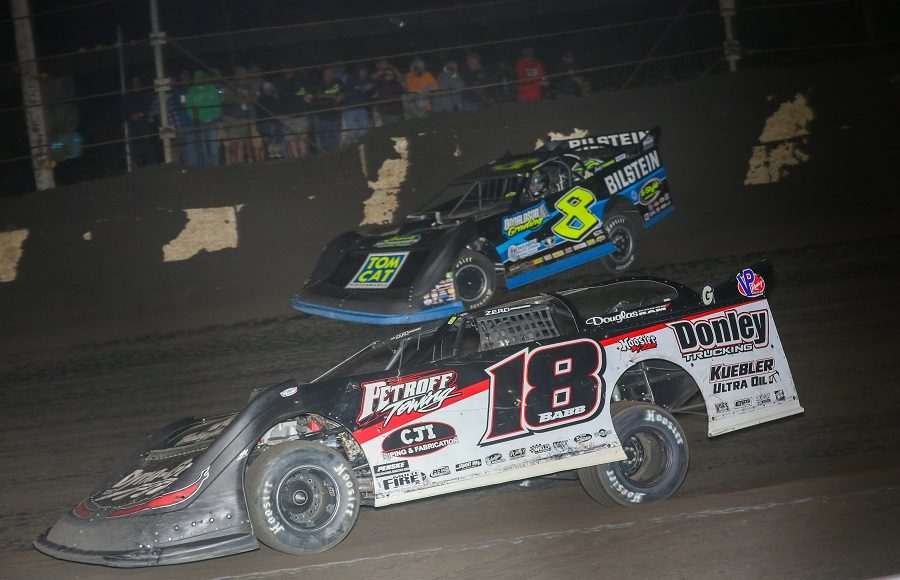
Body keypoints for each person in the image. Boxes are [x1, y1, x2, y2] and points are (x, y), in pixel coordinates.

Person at [274, 67, 313, 159]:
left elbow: (309, 95)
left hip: (300, 114)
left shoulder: (301, 80)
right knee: (291, 139)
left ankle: (303, 156)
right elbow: (277, 99)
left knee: (302, 137)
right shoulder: (279, 82)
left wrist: (307, 103)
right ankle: (296, 157)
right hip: (287, 114)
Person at [186, 70, 223, 165]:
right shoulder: (192, 90)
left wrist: (215, 116)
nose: (201, 80)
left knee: (213, 145)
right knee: (203, 146)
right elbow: (189, 106)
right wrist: (195, 117)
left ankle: (214, 165)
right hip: (199, 122)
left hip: (211, 120)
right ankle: (205, 166)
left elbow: (217, 103)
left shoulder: (211, 88)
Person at [121, 75, 159, 168]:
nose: (136, 84)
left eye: (138, 81)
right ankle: (137, 171)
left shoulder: (147, 95)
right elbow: (122, 114)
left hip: (146, 127)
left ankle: (153, 169)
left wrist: (143, 114)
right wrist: (130, 117)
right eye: (134, 82)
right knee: (135, 154)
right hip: (134, 130)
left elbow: (153, 107)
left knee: (149, 152)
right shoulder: (128, 97)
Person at [312, 67, 344, 152]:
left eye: (331, 73)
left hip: (335, 114)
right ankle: (324, 155)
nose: (329, 75)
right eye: (327, 73)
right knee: (322, 139)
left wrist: (340, 97)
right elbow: (316, 95)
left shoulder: (338, 82)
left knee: (335, 137)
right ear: (323, 74)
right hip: (321, 115)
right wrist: (331, 96)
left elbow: (344, 91)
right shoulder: (318, 83)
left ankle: (335, 155)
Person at [342, 63, 375, 144]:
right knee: (353, 131)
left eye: (364, 70)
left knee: (365, 130)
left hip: (362, 108)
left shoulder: (368, 78)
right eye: (361, 70)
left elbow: (372, 91)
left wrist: (369, 88)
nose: (363, 71)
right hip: (350, 108)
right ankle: (354, 147)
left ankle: (363, 146)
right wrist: (364, 88)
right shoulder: (351, 79)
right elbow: (350, 91)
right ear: (357, 71)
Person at [372, 59, 405, 126]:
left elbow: (403, 80)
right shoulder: (379, 81)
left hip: (394, 111)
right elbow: (371, 80)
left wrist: (392, 67)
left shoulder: (396, 83)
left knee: (394, 128)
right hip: (382, 111)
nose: (389, 76)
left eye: (391, 75)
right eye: (387, 74)